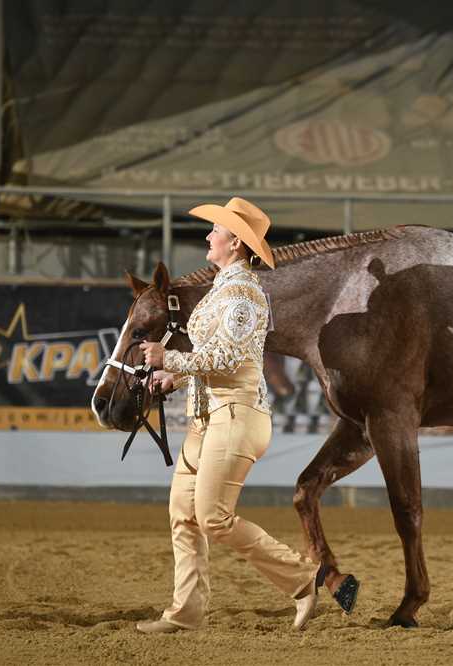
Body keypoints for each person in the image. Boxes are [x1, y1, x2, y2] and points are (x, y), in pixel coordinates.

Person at [135, 197, 321, 634]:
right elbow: (213, 356)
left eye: (216, 230)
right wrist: (175, 378)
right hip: (210, 417)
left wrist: (168, 359)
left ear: (235, 242)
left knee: (213, 517)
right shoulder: (223, 289)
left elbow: (227, 358)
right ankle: (186, 612)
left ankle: (302, 577)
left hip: (236, 415)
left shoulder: (242, 294)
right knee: (183, 514)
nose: (208, 235)